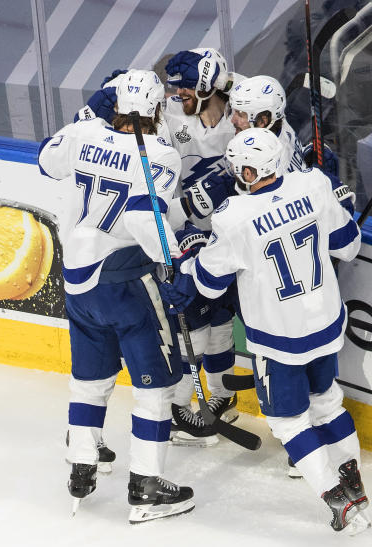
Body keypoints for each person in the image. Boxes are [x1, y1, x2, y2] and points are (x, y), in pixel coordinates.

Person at [160, 127, 369, 533]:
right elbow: (348, 246)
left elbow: (207, 283)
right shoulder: (313, 185)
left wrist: (184, 268)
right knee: (327, 403)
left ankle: (335, 495)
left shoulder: (234, 217)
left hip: (279, 341)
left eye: (244, 167)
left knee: (289, 424)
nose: (240, 172)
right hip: (325, 325)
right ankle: (354, 483)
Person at [37, 69, 195, 523]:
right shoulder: (160, 154)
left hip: (78, 281)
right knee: (156, 390)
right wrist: (174, 262)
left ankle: (82, 464)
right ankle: (145, 486)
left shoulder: (85, 131)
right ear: (155, 110)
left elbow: (47, 160)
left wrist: (89, 120)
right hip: (127, 282)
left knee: (90, 379)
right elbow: (148, 219)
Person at [163, 48, 240, 425]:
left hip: (233, 235)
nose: (178, 96)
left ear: (209, 87)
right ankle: (179, 406)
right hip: (185, 233)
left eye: (186, 90)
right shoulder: (168, 115)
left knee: (222, 316)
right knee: (193, 320)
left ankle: (224, 396)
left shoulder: (243, 110)